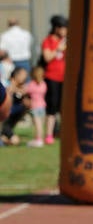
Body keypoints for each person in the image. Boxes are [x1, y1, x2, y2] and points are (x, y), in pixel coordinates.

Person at [40, 15, 67, 145]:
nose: (65, 31)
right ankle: (49, 134)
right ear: (56, 28)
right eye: (63, 28)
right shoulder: (48, 41)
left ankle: (63, 132)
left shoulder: (66, 40)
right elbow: (47, 57)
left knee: (64, 107)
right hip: (52, 78)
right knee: (52, 106)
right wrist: (57, 49)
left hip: (64, 78)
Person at [1, 66, 31, 146]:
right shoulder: (8, 85)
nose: (25, 77)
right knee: (15, 141)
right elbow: (9, 91)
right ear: (16, 75)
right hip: (4, 121)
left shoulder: (22, 87)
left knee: (13, 140)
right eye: (23, 75)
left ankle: (3, 139)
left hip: (10, 123)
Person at [26, 65, 48, 147]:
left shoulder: (31, 84)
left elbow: (26, 91)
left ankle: (39, 140)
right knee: (41, 124)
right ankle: (38, 139)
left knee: (37, 124)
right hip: (42, 106)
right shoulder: (43, 84)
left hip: (34, 107)